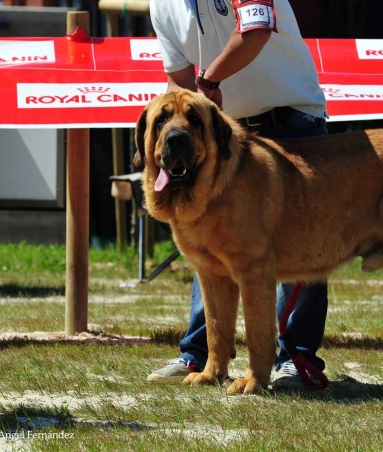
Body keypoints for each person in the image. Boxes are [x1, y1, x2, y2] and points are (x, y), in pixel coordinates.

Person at [147, 0, 328, 390]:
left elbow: (255, 30)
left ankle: (294, 358)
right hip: (221, 133)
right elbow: (179, 83)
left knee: (306, 240)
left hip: (290, 121)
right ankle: (204, 357)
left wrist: (207, 84)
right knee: (208, 240)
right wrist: (177, 126)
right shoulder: (161, 5)